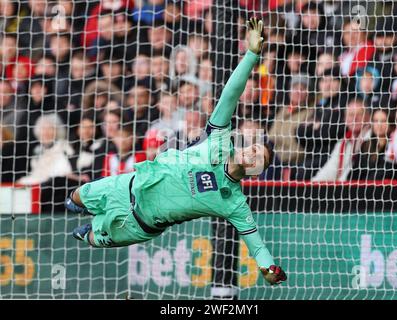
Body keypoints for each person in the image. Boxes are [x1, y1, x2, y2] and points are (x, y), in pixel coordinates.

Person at [65, 18, 286, 285]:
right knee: (76, 197)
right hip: (128, 186)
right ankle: (78, 208)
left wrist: (268, 268)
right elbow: (230, 94)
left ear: (256, 172)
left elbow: (256, 244)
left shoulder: (234, 203)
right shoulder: (219, 140)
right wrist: (252, 54)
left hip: (138, 224)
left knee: (91, 237)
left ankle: (91, 231)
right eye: (254, 147)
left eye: (259, 159)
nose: (252, 154)